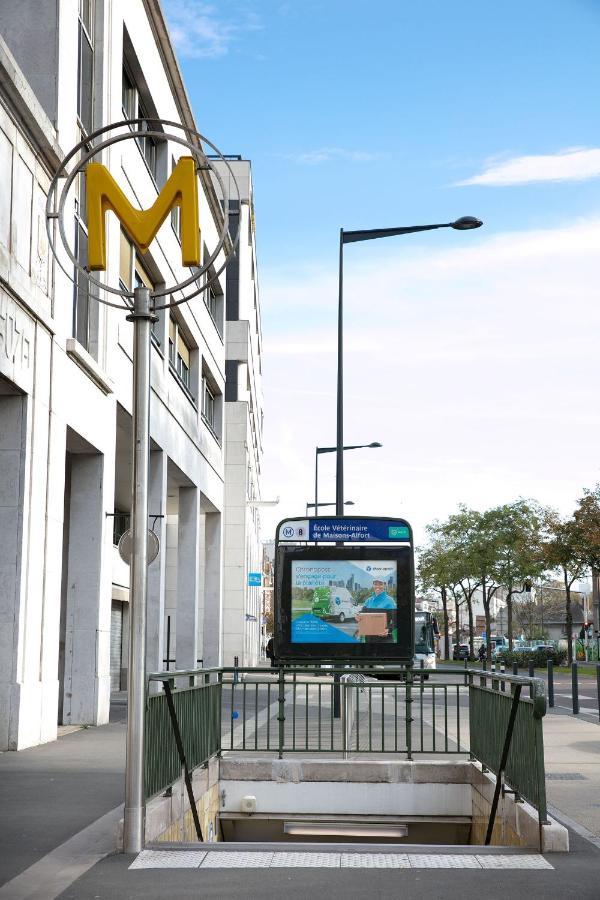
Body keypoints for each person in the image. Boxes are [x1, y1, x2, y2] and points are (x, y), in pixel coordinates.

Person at [355, 578, 396, 643]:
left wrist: (389, 630)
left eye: (380, 584)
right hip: (369, 640)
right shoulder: (368, 601)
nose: (377, 586)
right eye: (375, 584)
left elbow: (396, 620)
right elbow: (362, 615)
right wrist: (358, 616)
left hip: (385, 640)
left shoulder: (390, 601)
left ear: (384, 585)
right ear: (373, 585)